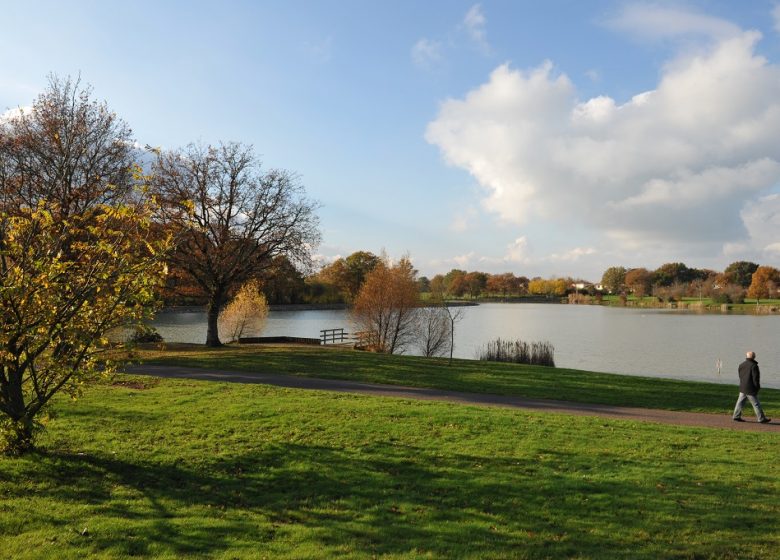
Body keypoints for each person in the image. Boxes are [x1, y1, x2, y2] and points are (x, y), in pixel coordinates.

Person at [732, 351, 771, 424]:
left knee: (740, 403)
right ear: (754, 357)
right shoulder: (754, 366)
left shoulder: (741, 365)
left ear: (746, 356)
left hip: (743, 387)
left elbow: (740, 376)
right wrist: (757, 387)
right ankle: (761, 418)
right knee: (756, 404)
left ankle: (736, 416)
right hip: (750, 388)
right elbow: (755, 378)